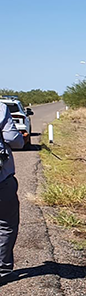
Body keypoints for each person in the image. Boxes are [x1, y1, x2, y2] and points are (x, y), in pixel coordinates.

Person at [0, 102, 24, 279]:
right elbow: (14, 140)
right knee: (6, 224)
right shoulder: (0, 108)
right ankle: (2, 269)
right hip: (2, 179)